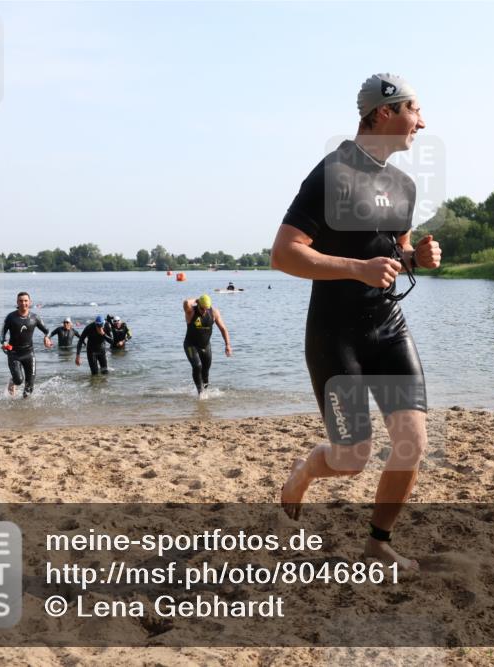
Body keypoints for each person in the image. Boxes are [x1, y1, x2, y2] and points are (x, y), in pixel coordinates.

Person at [271, 74, 440, 569]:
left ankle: (378, 541)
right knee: (352, 458)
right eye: (414, 110)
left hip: (388, 326)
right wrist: (356, 270)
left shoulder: (404, 186)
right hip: (335, 332)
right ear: (385, 113)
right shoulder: (332, 174)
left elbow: (396, 253)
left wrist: (418, 256)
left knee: (413, 441)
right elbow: (284, 253)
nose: (422, 122)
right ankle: (305, 471)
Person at [0, 291, 53, 397]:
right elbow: (2, 334)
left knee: (29, 388)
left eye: (25, 301)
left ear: (30, 302)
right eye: (21, 301)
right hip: (14, 353)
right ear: (17, 302)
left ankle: (24, 411)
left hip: (29, 354)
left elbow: (47, 330)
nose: (23, 303)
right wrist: (4, 343)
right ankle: (13, 381)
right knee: (19, 380)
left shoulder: (34, 317)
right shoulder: (10, 317)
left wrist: (46, 337)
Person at [182, 294, 231, 395]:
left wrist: (228, 345)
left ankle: (205, 391)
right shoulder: (191, 312)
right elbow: (186, 302)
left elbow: (223, 329)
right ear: (198, 304)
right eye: (202, 308)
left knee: (205, 371)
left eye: (206, 308)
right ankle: (200, 393)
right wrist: (196, 299)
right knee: (197, 366)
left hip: (205, 346)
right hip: (191, 345)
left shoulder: (213, 312)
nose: (204, 311)